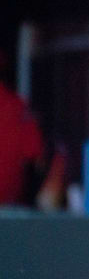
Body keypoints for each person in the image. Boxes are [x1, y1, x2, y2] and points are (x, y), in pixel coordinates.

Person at [0, 47, 45, 208]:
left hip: (9, 213)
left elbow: (35, 156)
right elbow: (37, 160)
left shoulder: (16, 107)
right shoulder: (17, 106)